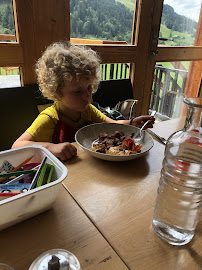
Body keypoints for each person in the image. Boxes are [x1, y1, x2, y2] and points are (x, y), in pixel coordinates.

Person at [12, 42, 155, 160]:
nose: (87, 96)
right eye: (77, 91)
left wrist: (132, 123)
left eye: (88, 88)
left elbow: (112, 125)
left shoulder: (87, 110)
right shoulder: (49, 118)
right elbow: (17, 145)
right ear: (56, 92)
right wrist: (50, 147)